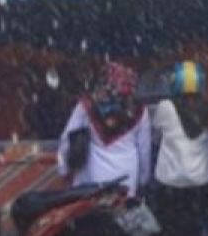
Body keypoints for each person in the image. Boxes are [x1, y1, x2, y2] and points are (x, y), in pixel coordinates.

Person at [147, 61, 208, 236]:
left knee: (171, 233)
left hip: (171, 182)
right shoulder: (207, 107)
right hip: (200, 182)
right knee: (195, 232)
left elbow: (155, 133)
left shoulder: (165, 107)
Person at [57, 61, 152, 197]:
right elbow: (144, 149)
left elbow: (67, 138)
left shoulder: (87, 104)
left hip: (93, 179)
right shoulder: (139, 110)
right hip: (127, 178)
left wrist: (64, 170)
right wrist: (143, 179)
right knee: (122, 214)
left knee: (94, 214)